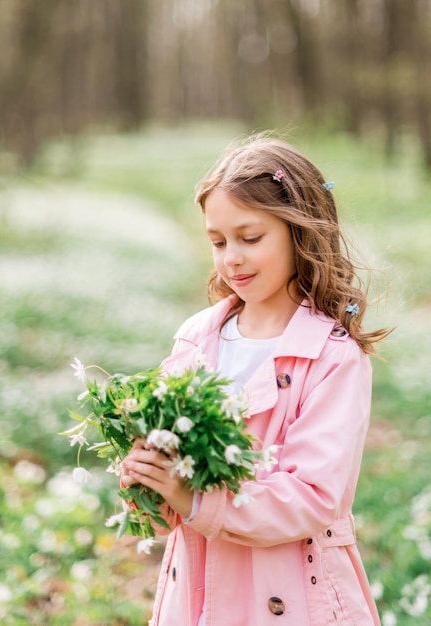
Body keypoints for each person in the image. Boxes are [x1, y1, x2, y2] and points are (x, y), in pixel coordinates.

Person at [121, 135, 388, 626]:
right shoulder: (196, 339)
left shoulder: (332, 358)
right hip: (197, 593)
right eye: (218, 242)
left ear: (299, 232)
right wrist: (150, 480)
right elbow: (168, 486)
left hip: (290, 596)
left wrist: (196, 497)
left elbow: (311, 496)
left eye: (250, 238)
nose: (232, 259)